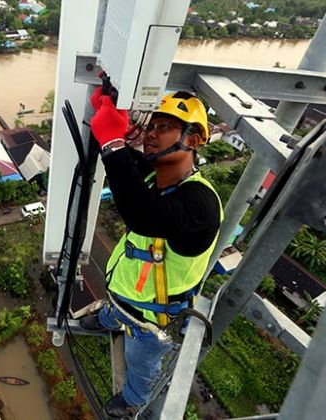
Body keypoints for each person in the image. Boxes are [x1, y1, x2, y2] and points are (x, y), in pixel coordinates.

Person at [82, 90, 223, 418]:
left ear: (196, 139)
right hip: (124, 295)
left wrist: (114, 143)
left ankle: (132, 400)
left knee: (142, 364)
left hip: (152, 319)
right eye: (151, 127)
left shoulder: (199, 202)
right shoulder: (155, 176)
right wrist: (115, 125)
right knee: (114, 310)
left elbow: (144, 216)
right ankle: (108, 318)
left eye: (165, 127)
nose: (152, 134)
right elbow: (124, 165)